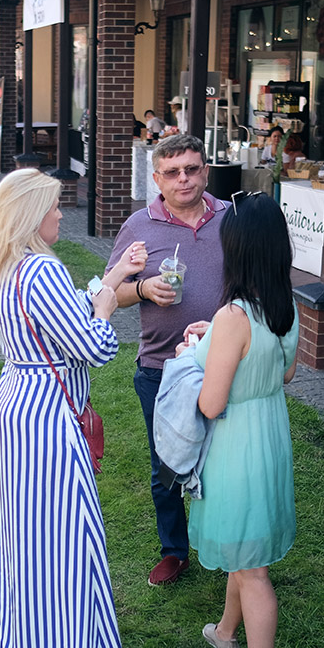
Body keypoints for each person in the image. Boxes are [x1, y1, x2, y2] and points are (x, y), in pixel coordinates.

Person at [0, 168, 148, 648]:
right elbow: (94, 346)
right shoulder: (42, 269)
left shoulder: (6, 265)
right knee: (67, 539)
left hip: (16, 406)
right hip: (49, 417)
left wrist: (113, 275)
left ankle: (23, 633)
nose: (60, 214)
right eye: (52, 206)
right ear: (31, 215)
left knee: (25, 536)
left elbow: (64, 313)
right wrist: (106, 308)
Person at [185, 191, 300, 648]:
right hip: (270, 434)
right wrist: (214, 340)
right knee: (246, 543)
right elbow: (285, 372)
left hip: (237, 445)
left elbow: (211, 403)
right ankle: (226, 632)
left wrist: (194, 352)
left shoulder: (233, 315)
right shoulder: (285, 304)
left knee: (252, 569)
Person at [105, 133, 228, 586]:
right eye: (173, 172)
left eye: (192, 169)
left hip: (223, 360)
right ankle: (174, 551)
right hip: (161, 368)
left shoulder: (230, 219)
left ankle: (226, 545)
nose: (184, 179)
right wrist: (142, 288)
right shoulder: (140, 225)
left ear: (205, 171)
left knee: (225, 460)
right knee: (168, 466)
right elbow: (109, 291)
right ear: (157, 179)